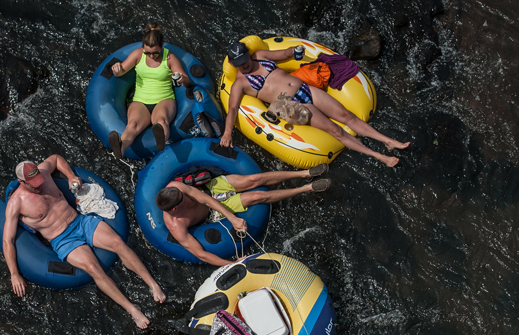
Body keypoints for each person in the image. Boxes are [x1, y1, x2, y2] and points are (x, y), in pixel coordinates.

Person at [3, 155, 166, 329]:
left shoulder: (44, 171)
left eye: (39, 179)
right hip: (63, 239)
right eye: (33, 184)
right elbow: (8, 240)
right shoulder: (16, 204)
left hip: (80, 222)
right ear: (22, 182)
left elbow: (56, 158)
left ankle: (152, 284)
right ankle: (133, 310)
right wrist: (14, 273)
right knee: (93, 268)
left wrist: (70, 175)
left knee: (118, 242)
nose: (39, 185)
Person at [220, 41, 409, 168]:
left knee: (347, 116)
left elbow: (284, 53)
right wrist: (227, 133)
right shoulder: (240, 83)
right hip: (291, 106)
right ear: (232, 62)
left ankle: (387, 141)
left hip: (305, 89)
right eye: (238, 63)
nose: (243, 65)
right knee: (336, 130)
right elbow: (233, 109)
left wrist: (295, 51)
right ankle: (380, 157)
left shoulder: (260, 55)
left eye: (244, 60)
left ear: (248, 54)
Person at [155, 166, 331, 266]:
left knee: (253, 180)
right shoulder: (176, 225)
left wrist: (232, 217)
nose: (183, 194)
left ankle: (305, 173)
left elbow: (207, 199)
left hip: (212, 191)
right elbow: (201, 254)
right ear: (175, 209)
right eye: (181, 199)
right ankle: (306, 188)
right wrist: (231, 264)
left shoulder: (176, 187)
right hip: (212, 214)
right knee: (258, 197)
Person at [107, 22, 190, 159]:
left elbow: (186, 81)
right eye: (148, 53)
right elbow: (120, 71)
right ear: (143, 48)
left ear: (161, 46)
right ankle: (120, 149)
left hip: (164, 99)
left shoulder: (169, 58)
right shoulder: (138, 55)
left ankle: (161, 141)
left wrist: (182, 79)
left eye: (155, 53)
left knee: (161, 120)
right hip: (140, 101)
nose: (151, 56)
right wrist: (116, 68)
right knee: (132, 125)